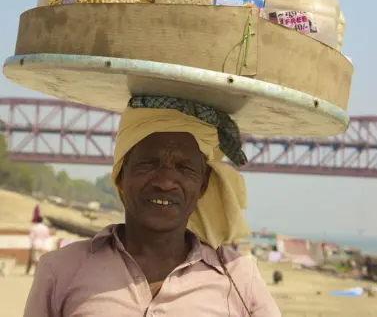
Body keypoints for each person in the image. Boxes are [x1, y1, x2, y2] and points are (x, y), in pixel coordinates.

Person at [24, 96, 281, 316]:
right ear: (120, 176)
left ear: (203, 185)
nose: (166, 182)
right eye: (148, 163)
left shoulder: (240, 277)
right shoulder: (60, 270)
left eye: (184, 168)